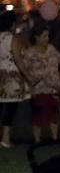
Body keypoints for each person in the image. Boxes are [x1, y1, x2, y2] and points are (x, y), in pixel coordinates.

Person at [21, 23, 60, 144]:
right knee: (38, 114)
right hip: (39, 88)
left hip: (53, 87)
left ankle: (54, 138)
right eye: (44, 36)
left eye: (48, 35)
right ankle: (37, 139)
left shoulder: (51, 48)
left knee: (54, 113)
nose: (47, 38)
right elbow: (25, 70)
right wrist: (30, 87)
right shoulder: (29, 53)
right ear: (37, 37)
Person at [0, 12, 31, 148]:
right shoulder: (14, 38)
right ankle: (5, 138)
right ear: (12, 24)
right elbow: (18, 59)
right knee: (10, 108)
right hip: (12, 77)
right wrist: (29, 77)